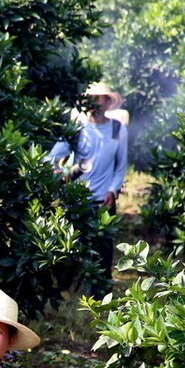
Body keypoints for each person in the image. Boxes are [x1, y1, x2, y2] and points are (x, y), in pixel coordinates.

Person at [48, 82, 129, 291]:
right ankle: (62, 290)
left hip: (103, 201)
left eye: (99, 98)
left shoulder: (117, 129)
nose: (94, 103)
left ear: (107, 101)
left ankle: (100, 294)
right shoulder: (77, 129)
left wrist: (112, 190)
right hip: (76, 200)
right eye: (90, 99)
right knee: (70, 247)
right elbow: (52, 158)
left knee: (103, 250)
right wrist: (61, 173)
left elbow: (120, 166)